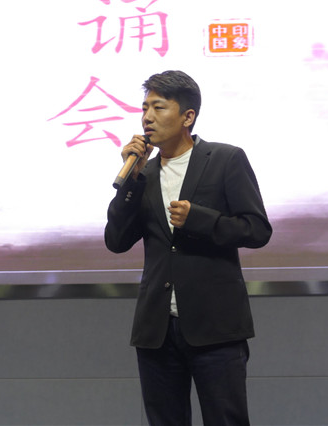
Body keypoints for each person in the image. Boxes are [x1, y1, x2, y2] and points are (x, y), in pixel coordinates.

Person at [105, 70, 272, 426]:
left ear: (187, 116)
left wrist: (201, 220)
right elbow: (116, 241)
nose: (147, 117)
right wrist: (130, 181)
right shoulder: (143, 174)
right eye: (144, 108)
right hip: (157, 330)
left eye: (158, 107)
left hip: (215, 327)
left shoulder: (225, 159)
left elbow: (257, 229)